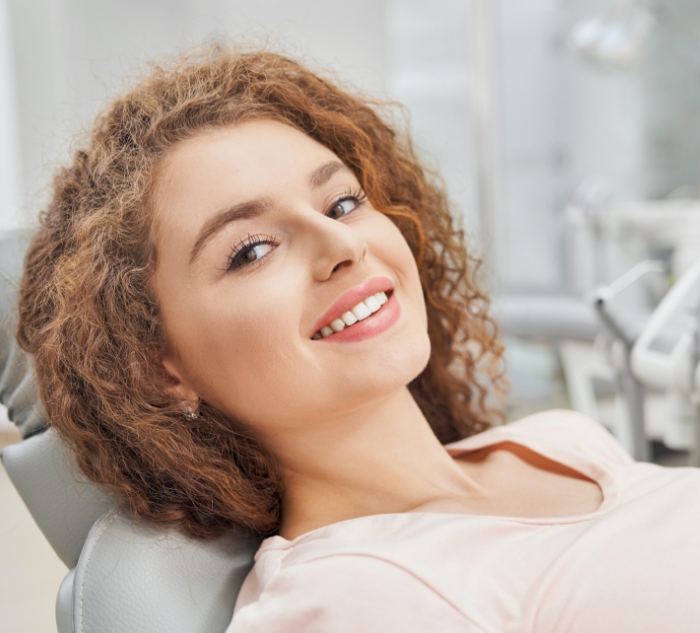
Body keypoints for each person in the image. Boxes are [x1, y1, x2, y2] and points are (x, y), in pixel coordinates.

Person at [16, 45, 700, 633]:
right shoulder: (345, 600)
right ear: (160, 369)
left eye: (342, 202)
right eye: (251, 249)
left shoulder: (558, 441)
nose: (342, 243)